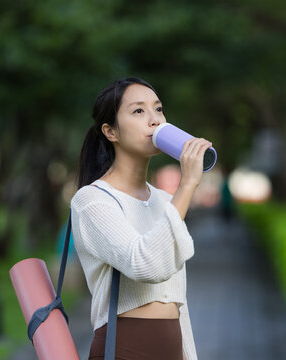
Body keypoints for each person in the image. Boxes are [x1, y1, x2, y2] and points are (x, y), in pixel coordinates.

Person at [70, 77, 212, 360]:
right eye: (139, 111)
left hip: (172, 346)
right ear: (111, 131)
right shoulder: (92, 201)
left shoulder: (164, 201)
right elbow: (144, 264)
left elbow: (177, 300)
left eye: (158, 109)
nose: (154, 120)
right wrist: (186, 186)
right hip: (124, 348)